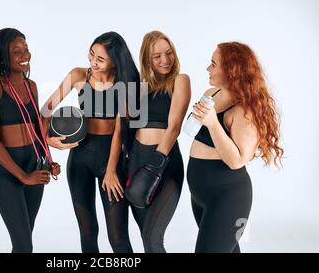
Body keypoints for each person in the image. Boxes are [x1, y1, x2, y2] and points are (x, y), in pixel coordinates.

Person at [41, 32, 140, 253]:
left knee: (118, 238)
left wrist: (112, 170)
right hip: (79, 160)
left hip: (110, 160)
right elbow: (45, 111)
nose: (93, 62)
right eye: (91, 54)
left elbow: (119, 132)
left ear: (115, 60)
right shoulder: (78, 75)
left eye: (100, 59)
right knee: (87, 232)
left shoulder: (127, 81)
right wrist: (48, 140)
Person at [187, 41, 284, 253]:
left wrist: (212, 122)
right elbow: (194, 131)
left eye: (213, 64)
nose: (207, 68)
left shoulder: (245, 111)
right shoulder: (211, 93)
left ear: (232, 71)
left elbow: (237, 160)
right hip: (200, 195)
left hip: (227, 197)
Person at [0, 28, 60, 253]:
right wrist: (23, 176)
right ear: (2, 56)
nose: (24, 54)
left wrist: (48, 160)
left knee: (25, 241)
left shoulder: (31, 86)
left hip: (35, 167)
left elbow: (36, 129)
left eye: (25, 49)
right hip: (9, 173)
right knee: (23, 245)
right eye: (16, 51)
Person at [126, 31, 190, 252]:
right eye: (157, 56)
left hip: (165, 162)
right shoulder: (139, 87)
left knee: (153, 237)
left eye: (169, 53)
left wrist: (154, 164)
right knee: (146, 236)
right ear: (147, 60)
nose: (165, 60)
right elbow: (123, 125)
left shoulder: (180, 81)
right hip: (135, 160)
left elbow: (174, 128)